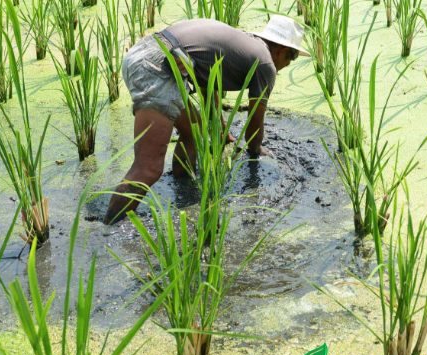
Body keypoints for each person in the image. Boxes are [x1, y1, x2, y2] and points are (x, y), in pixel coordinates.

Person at [104, 15, 309, 225]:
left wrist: (222, 130)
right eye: (289, 60)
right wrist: (256, 149)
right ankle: (108, 229)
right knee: (148, 168)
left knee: (196, 131)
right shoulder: (266, 64)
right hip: (158, 67)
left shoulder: (243, 44)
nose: (283, 67)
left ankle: (183, 184)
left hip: (146, 53)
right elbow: (254, 128)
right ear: (282, 50)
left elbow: (207, 85)